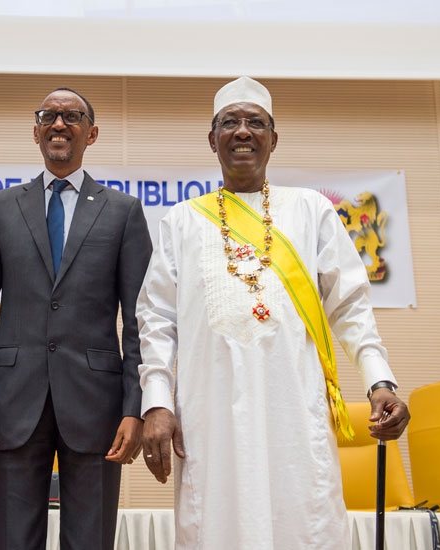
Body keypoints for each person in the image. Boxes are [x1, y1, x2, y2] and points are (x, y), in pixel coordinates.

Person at [136, 77, 411, 549]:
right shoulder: (181, 220)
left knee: (303, 523)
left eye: (255, 122)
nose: (242, 131)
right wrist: (157, 401)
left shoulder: (310, 210)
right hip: (209, 417)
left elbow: (350, 305)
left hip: (295, 412)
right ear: (212, 139)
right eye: (230, 123)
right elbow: (157, 319)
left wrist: (379, 381)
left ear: (273, 139)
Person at [0, 88, 153, 550]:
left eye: (72, 117)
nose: (60, 124)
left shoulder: (123, 212)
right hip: (13, 403)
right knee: (14, 541)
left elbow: (140, 319)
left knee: (90, 542)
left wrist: (133, 406)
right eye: (49, 116)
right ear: (36, 131)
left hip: (97, 407)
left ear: (92, 133)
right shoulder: (1, 208)